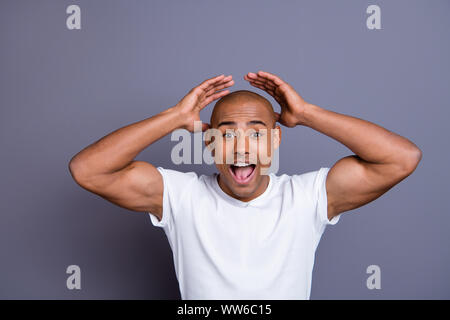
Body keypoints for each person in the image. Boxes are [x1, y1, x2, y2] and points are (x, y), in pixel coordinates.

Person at [68, 71, 422, 299]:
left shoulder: (308, 197)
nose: (240, 148)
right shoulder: (179, 196)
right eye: (226, 135)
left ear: (275, 141)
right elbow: (88, 170)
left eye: (255, 133)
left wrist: (307, 114)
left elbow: (402, 158)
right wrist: (172, 118)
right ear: (208, 143)